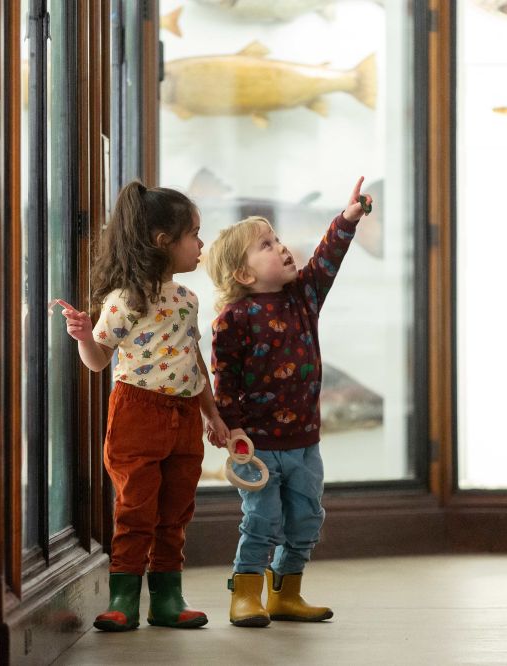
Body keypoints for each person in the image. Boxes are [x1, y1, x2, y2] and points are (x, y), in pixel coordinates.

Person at [60, 180, 230, 632]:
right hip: (137, 412)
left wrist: (212, 414)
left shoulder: (187, 300)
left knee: (175, 510)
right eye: (194, 234)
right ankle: (123, 597)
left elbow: (193, 360)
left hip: (184, 415)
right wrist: (82, 336)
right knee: (136, 507)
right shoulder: (125, 300)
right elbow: (98, 362)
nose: (201, 244)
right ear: (163, 242)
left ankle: (167, 598)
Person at [206, 176, 372, 627]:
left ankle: (285, 592)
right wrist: (233, 429)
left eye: (277, 239)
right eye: (266, 244)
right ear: (244, 274)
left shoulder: (304, 297)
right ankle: (245, 593)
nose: (281, 247)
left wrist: (348, 218)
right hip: (256, 445)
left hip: (304, 443)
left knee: (305, 520)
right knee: (261, 521)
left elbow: (326, 260)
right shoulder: (232, 321)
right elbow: (225, 381)